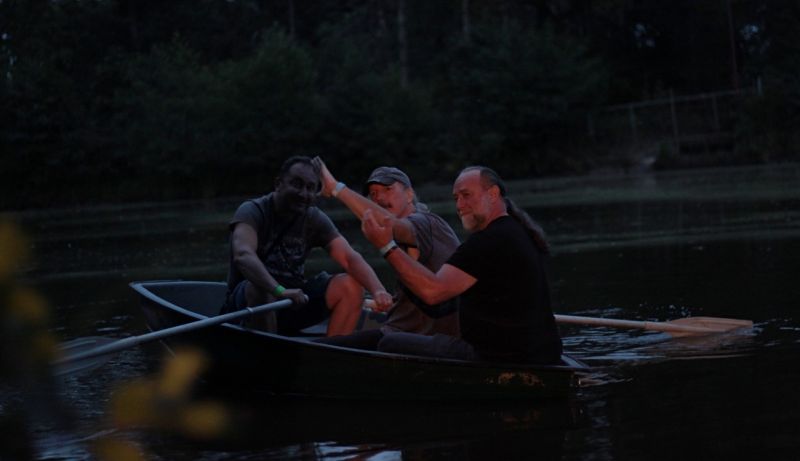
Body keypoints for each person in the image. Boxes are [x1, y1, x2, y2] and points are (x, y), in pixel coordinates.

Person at [360, 165, 563, 364]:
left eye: (466, 195)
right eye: (456, 198)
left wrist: (386, 246)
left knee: (390, 342)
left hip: (496, 356)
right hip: (541, 352)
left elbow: (432, 292)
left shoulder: (487, 241)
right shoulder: (519, 231)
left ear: (493, 194)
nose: (459, 205)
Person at [222, 155, 393, 336]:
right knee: (260, 289)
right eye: (297, 184)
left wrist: (378, 290)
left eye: (310, 188)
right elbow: (243, 255)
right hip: (249, 305)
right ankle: (269, 350)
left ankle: (329, 349)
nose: (303, 193)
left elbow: (349, 258)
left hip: (294, 301)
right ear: (278, 184)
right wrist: (279, 290)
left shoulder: (313, 218)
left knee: (351, 286)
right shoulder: (252, 211)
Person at [311, 157, 461, 350]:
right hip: (406, 334)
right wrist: (377, 300)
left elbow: (388, 222)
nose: (379, 198)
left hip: (420, 340)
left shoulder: (425, 222)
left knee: (319, 351)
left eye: (388, 189)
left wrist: (335, 188)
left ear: (409, 194)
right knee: (326, 347)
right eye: (373, 194)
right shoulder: (408, 238)